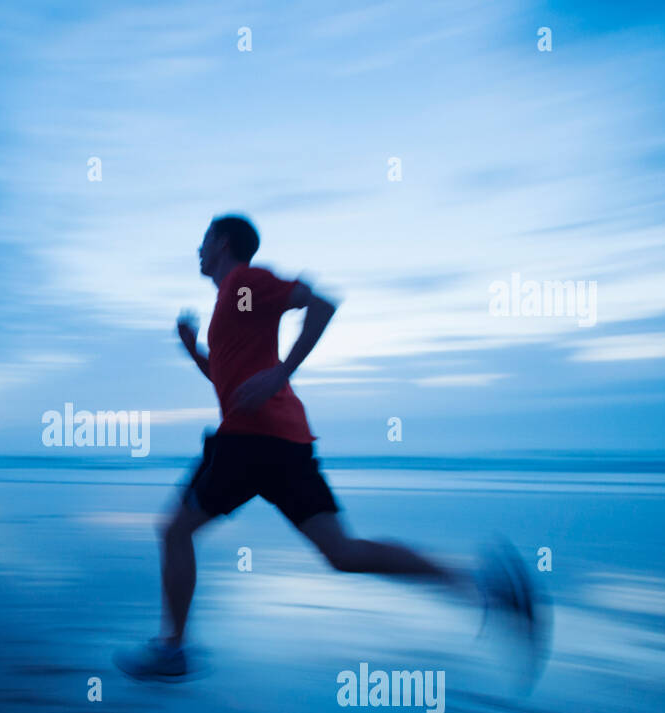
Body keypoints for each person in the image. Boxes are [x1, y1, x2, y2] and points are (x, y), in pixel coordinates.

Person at [115, 214, 542, 682]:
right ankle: (486, 587)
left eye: (203, 241)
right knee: (343, 553)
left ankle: (172, 650)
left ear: (221, 242)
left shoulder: (244, 282)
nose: (197, 251)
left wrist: (282, 372)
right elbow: (228, 379)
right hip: (282, 442)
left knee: (175, 532)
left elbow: (319, 304)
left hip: (250, 440)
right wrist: (193, 350)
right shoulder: (230, 300)